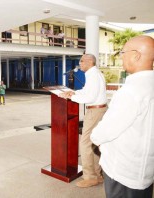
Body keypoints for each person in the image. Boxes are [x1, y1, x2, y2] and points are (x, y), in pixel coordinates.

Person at [91, 36, 154, 198]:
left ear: (136, 55)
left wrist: (95, 139)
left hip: (123, 172)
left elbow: (106, 131)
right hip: (146, 169)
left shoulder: (130, 92)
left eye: (123, 52)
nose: (121, 56)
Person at [59, 54, 107, 188]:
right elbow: (86, 91)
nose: (79, 64)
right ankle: (97, 175)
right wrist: (74, 93)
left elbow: (90, 97)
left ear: (90, 62)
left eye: (81, 61)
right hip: (100, 110)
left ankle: (90, 177)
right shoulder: (95, 73)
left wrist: (70, 98)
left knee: (86, 143)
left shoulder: (92, 75)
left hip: (95, 111)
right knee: (94, 143)